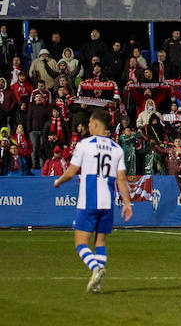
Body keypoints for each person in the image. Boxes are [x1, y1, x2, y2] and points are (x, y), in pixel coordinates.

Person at [52, 109, 134, 293]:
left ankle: (95, 268)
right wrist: (127, 203)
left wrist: (59, 181)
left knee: (81, 243)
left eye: (90, 122)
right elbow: (121, 179)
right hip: (108, 202)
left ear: (96, 124)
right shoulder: (116, 148)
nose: (88, 125)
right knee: (100, 242)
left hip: (88, 200)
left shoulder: (85, 145)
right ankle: (97, 283)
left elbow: (71, 172)